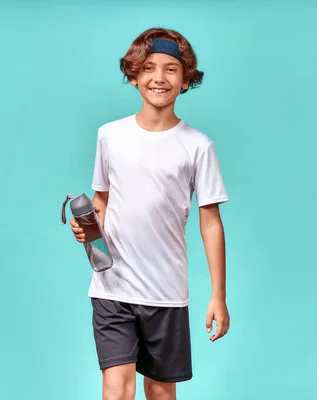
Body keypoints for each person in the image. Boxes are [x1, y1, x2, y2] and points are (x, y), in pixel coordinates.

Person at [70, 27, 230, 400]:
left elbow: (210, 222)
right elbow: (102, 201)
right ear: (134, 76)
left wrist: (218, 295)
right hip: (113, 286)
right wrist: (86, 228)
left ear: (186, 80)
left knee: (160, 392)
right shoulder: (109, 135)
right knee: (117, 386)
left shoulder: (197, 147)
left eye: (171, 69)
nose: (159, 78)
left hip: (166, 292)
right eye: (149, 69)